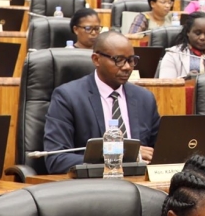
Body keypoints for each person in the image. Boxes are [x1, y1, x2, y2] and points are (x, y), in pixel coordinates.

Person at [42, 31, 159, 173]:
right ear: (96, 59)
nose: (127, 67)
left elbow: (160, 153)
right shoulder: (68, 97)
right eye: (119, 59)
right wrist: (122, 156)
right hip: (94, 187)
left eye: (131, 60)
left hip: (141, 184)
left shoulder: (145, 99)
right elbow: (56, 159)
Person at [158, 12, 205, 79]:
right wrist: (186, 79)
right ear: (188, 32)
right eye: (198, 33)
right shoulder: (173, 55)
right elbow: (167, 85)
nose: (202, 37)